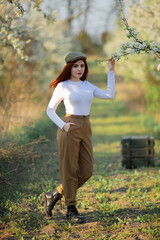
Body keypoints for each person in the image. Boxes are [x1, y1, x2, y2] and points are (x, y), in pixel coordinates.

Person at [42, 51, 115, 223]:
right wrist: (63, 125)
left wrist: (111, 71)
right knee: (69, 170)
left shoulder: (87, 85)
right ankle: (71, 209)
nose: (79, 69)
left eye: (82, 66)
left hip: (86, 127)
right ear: (69, 67)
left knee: (87, 170)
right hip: (69, 127)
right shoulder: (63, 86)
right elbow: (49, 110)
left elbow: (109, 95)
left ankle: (55, 194)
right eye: (76, 66)